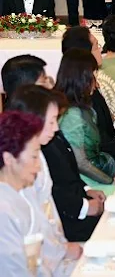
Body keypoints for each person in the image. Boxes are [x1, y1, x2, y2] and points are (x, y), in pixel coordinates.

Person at [11, 84, 103, 242]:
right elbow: (47, 203)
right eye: (52, 121)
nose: (56, 128)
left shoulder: (39, 149)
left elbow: (69, 173)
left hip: (56, 232)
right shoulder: (22, 161)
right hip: (53, 232)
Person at [7, 85, 85, 273]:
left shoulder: (38, 154)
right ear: (33, 120)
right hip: (40, 259)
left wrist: (63, 246)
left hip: (56, 247)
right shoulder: (20, 167)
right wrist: (63, 250)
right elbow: (34, 227)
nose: (56, 128)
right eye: (51, 122)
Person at [61, 26, 115, 171]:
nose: (100, 50)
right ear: (84, 53)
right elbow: (99, 140)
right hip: (100, 162)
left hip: (111, 150)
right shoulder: (81, 90)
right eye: (96, 46)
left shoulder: (87, 81)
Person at [55, 48, 115, 192]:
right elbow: (81, 163)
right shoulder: (72, 115)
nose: (96, 82)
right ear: (82, 79)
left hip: (97, 173)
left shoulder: (83, 107)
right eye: (92, 75)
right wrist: (110, 180)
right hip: (84, 182)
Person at [0, 111, 45, 276]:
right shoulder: (3, 212)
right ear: (9, 159)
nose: (38, 167)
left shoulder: (17, 196)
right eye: (34, 157)